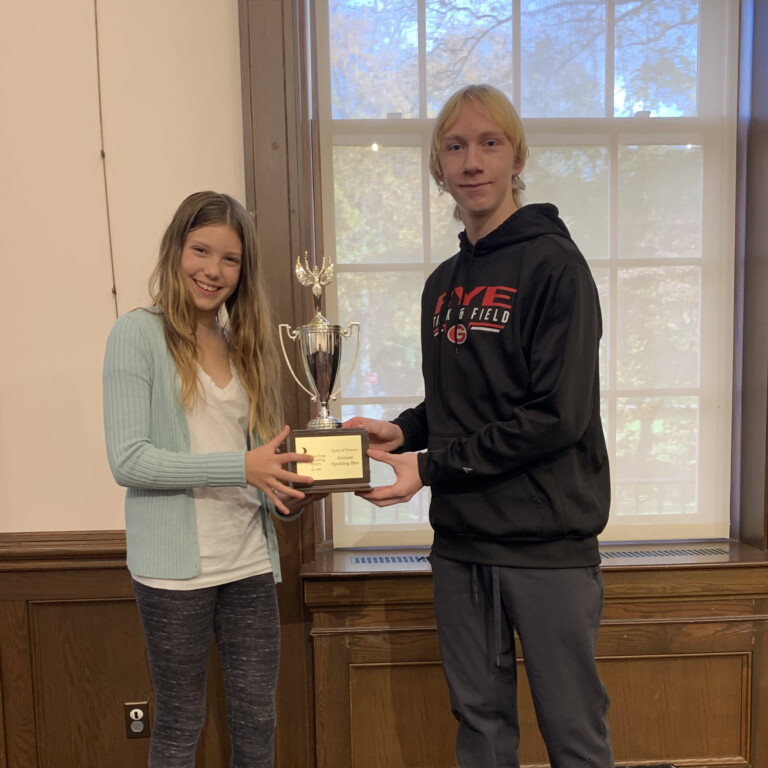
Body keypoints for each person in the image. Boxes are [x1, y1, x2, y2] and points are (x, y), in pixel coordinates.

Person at [344, 85, 614, 767]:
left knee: (574, 734)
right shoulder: (443, 285)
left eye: (489, 143)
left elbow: (557, 416)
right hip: (462, 547)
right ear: (439, 167)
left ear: (516, 156)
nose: (472, 161)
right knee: (481, 731)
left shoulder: (557, 267)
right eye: (456, 146)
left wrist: (429, 469)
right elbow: (458, 404)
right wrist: (402, 433)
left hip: (547, 546)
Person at [103, 191, 317, 768]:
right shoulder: (135, 334)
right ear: (176, 249)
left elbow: (261, 462)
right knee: (179, 724)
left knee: (258, 722)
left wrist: (287, 493)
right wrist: (241, 468)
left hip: (247, 559)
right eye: (201, 250)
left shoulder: (245, 343)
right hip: (172, 571)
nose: (213, 270)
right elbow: (129, 460)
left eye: (230, 259)